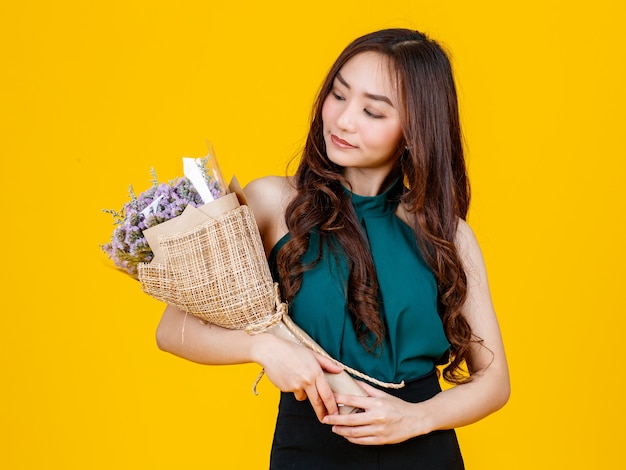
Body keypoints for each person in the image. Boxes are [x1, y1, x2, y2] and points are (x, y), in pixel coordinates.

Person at [156, 28, 510, 469]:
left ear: (416, 129)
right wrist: (264, 348)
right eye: (338, 95)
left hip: (423, 451)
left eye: (373, 111)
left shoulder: (448, 234)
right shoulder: (272, 203)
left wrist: (416, 418)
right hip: (309, 448)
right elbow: (172, 330)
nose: (343, 120)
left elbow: (495, 381)